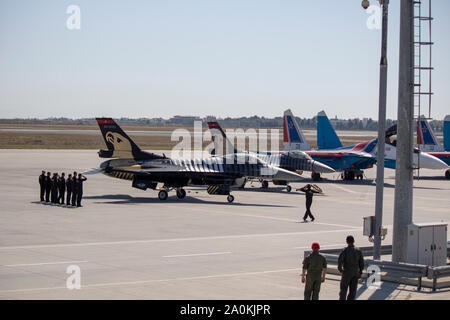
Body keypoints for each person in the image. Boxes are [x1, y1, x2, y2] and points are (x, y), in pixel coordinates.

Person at [338, 235, 365, 300]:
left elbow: (340, 261)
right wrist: (360, 272)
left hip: (346, 272)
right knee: (353, 291)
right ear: (354, 241)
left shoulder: (345, 250)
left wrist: (340, 269)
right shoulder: (358, 250)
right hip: (355, 273)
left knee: (343, 289)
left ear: (347, 242)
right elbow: (361, 262)